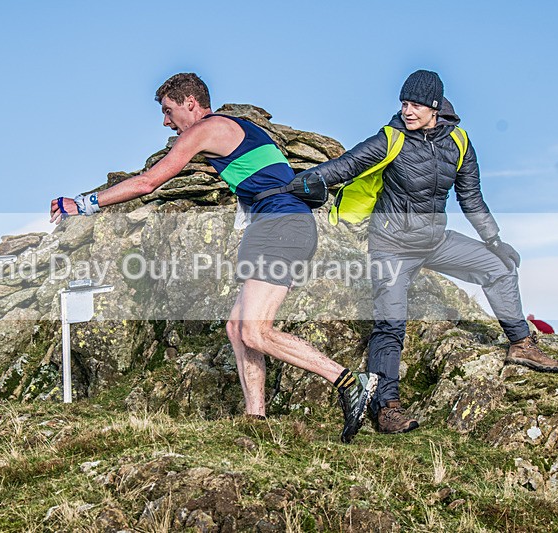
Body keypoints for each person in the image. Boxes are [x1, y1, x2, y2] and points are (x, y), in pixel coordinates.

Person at [50, 73, 377, 443]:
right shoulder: (238, 129)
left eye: (168, 110)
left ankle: (349, 382)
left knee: (256, 330)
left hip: (282, 224)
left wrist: (85, 203)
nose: (166, 122)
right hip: (274, 225)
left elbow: (148, 182)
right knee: (237, 328)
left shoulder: (207, 128)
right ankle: (256, 419)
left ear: (191, 102)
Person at [303, 70, 558, 434]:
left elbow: (471, 197)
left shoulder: (457, 141)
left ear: (435, 107)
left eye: (415, 105)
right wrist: (295, 185)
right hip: (391, 246)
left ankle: (521, 342)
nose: (407, 111)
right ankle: (386, 409)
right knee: (391, 325)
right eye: (403, 103)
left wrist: (494, 240)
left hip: (435, 241)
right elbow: (344, 166)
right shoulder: (390, 138)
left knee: (499, 267)